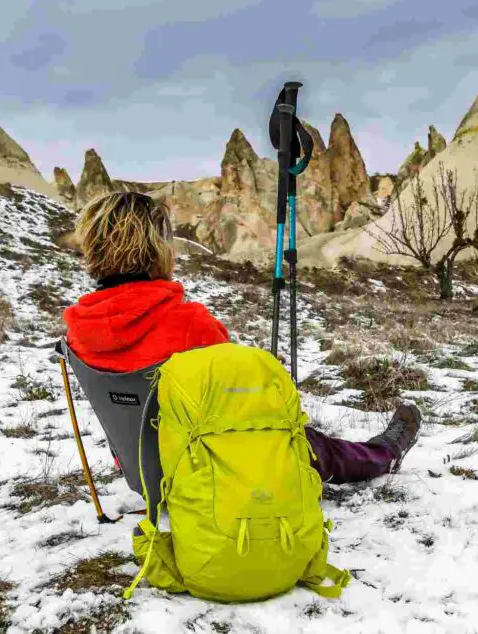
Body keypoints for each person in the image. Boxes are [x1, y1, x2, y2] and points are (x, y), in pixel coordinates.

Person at [63, 191, 421, 484]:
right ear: (159, 248)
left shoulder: (77, 334)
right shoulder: (191, 325)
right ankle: (385, 452)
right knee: (312, 445)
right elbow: (242, 407)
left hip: (144, 479)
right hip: (209, 476)